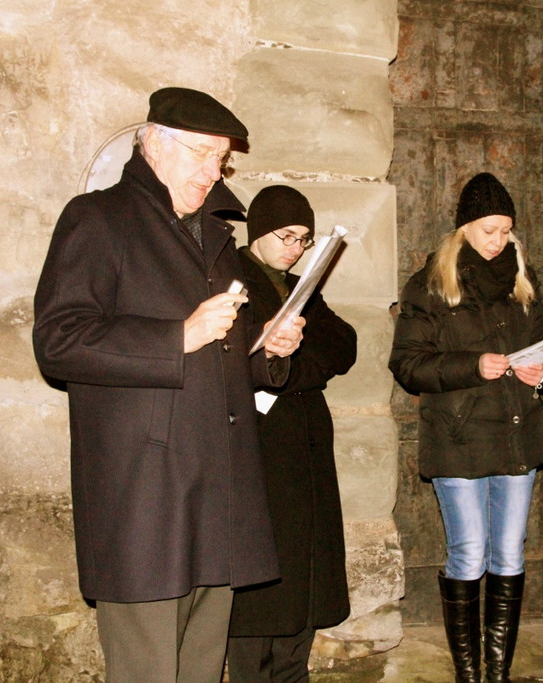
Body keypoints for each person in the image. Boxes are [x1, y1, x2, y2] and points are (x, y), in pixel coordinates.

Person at [32, 87, 305, 683]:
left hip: (217, 486)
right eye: (202, 153)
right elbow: (58, 340)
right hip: (146, 494)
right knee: (148, 669)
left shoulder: (216, 237)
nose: (214, 172)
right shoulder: (97, 218)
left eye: (221, 160)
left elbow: (224, 352)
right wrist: (176, 336)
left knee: (201, 668)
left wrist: (267, 351)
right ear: (153, 144)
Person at [388, 172, 543, 683]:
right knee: (468, 554)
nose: (498, 240)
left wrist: (542, 374)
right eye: (489, 230)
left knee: (508, 553)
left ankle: (496, 673)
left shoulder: (522, 282)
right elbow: (407, 365)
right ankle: (469, 675)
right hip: (459, 439)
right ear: (463, 228)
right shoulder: (431, 285)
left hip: (515, 435)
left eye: (506, 230)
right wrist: (471, 365)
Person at [226, 185, 357, 682]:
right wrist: (278, 365)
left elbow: (343, 345)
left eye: (304, 239)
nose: (295, 248)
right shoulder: (232, 279)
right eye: (286, 236)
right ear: (259, 230)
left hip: (304, 449)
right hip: (259, 449)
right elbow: (236, 358)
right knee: (261, 584)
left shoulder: (301, 288)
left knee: (303, 576)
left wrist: (289, 370)